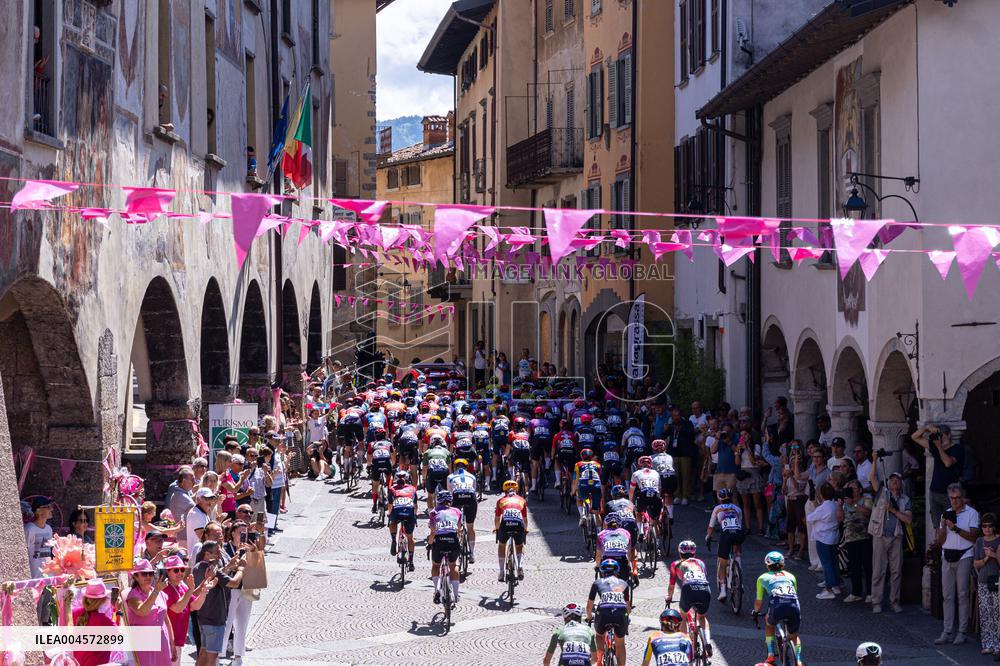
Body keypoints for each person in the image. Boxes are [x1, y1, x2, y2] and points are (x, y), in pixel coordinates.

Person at [934, 482, 979, 645]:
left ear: (962, 497)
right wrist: (942, 530)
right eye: (951, 498)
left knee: (962, 594)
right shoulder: (945, 514)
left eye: (957, 498)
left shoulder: (972, 513)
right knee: (947, 596)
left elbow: (974, 537)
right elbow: (940, 541)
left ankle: (962, 631)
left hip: (964, 555)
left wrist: (956, 529)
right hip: (947, 555)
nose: (954, 501)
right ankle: (947, 631)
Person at [193, 540, 243, 666]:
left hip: (203, 618)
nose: (220, 554)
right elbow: (234, 583)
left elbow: (218, 579)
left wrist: (229, 567)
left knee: (203, 654)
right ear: (207, 554)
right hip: (215, 620)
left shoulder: (197, 566)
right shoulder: (212, 570)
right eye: (216, 552)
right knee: (212, 658)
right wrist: (241, 569)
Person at [868, 466, 911, 614]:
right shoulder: (882, 493)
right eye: (891, 480)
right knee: (878, 570)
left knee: (896, 571)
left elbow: (908, 519)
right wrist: (874, 460)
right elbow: (872, 478)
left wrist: (893, 510)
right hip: (880, 535)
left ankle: (894, 601)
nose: (894, 482)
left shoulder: (905, 500)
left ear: (901, 484)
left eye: (897, 480)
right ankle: (877, 601)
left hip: (896, 536)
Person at [752, 551, 802, 666]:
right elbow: (794, 594)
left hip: (777, 605)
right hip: (793, 605)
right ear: (783, 565)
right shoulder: (791, 576)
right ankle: (798, 661)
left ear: (767, 565)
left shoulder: (762, 578)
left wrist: (755, 612)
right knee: (794, 634)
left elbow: (759, 602)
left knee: (769, 625)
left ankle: (770, 655)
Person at [223, 522, 260, 666]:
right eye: (240, 532)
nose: (243, 535)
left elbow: (257, 570)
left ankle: (238, 656)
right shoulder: (226, 548)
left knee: (242, 624)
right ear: (232, 533)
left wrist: (254, 552)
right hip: (231, 589)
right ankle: (220, 655)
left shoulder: (250, 549)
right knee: (227, 623)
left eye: (246, 532)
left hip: (247, 588)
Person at [665, 541, 712, 656]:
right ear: (694, 553)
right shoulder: (701, 563)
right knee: (702, 617)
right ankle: (708, 641)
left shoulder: (676, 564)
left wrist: (669, 597)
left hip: (688, 589)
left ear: (680, 553)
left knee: (683, 616)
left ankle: (686, 647)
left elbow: (671, 585)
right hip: (704, 589)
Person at [163, 554, 210, 666]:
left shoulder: (182, 586)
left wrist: (204, 592)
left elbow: (195, 606)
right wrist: (190, 590)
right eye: (176, 570)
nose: (180, 572)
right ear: (168, 572)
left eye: (182, 569)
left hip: (178, 637)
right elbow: (178, 608)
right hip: (168, 639)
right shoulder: (166, 588)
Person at [125, 559, 175, 666]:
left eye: (150, 573)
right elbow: (142, 611)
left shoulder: (158, 592)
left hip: (162, 640)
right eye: (144, 574)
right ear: (136, 577)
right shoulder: (133, 595)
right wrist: (156, 591)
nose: (148, 576)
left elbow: (166, 619)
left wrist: (172, 643)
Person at [912, 424, 964, 525]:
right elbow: (914, 437)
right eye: (939, 436)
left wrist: (939, 446)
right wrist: (926, 428)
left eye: (942, 436)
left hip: (950, 495)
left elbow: (948, 463)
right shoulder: (935, 447)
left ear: (949, 435)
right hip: (934, 492)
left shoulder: (958, 449)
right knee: (937, 525)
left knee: (951, 524)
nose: (940, 438)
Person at [586, 559, 631, 666]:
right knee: (620, 644)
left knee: (600, 636)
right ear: (617, 571)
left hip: (603, 611)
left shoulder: (597, 583)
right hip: (621, 611)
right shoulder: (624, 583)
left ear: (602, 571)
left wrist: (589, 617)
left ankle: (599, 661)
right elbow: (628, 608)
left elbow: (589, 605)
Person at [705, 488, 744, 601]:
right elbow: (739, 524)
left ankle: (722, 590)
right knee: (737, 552)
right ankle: (739, 579)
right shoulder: (737, 509)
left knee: (722, 562)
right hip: (738, 533)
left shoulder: (717, 509)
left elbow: (711, 527)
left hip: (726, 534)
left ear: (720, 498)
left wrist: (708, 537)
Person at [839, 479, 873, 603]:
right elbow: (840, 518)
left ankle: (870, 592)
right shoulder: (845, 502)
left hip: (865, 537)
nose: (851, 491)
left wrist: (854, 504)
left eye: (853, 488)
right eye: (849, 488)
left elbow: (868, 513)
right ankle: (856, 592)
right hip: (850, 538)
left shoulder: (866, 500)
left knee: (868, 566)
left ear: (859, 490)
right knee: (854, 566)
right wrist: (840, 505)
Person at [806, 483, 843, 599]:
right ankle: (836, 584)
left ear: (821, 495)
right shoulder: (836, 504)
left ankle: (828, 589)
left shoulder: (822, 508)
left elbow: (810, 518)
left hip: (823, 538)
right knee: (834, 562)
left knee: (826, 563)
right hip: (834, 537)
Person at [428, 491, 464, 604]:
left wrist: (429, 543)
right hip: (453, 540)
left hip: (439, 541)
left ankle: (437, 589)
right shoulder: (457, 511)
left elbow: (433, 531)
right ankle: (456, 594)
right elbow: (459, 529)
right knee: (453, 566)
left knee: (435, 565)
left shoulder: (434, 512)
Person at [973, 513, 1000, 657]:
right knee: (985, 614)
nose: (987, 529)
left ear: (994, 526)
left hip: (997, 581)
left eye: (990, 526)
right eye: (984, 526)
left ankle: (998, 645)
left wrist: (994, 555)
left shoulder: (999, 540)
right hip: (983, 581)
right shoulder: (979, 542)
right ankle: (988, 644)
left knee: (997, 614)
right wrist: (986, 558)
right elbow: (976, 563)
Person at [73, 578, 117, 666]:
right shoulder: (104, 620)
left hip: (77, 662)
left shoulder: (74, 612)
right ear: (103, 600)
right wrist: (116, 610)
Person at [494, 480, 529, 582]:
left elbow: (497, 519)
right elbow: (525, 519)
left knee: (502, 545)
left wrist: (497, 529)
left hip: (505, 525)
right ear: (516, 490)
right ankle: (520, 565)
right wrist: (526, 529)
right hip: (518, 524)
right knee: (519, 545)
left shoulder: (500, 501)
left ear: (504, 491)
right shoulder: (522, 500)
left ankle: (501, 572)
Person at [447, 459, 478, 562]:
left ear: (455, 467)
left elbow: (449, 495)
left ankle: (456, 543)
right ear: (466, 467)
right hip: (470, 496)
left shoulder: (450, 477)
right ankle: (472, 553)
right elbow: (474, 490)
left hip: (457, 496)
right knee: (470, 526)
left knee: (456, 524)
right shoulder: (472, 476)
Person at [664, 409, 697, 504]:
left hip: (685, 454)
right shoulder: (671, 426)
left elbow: (691, 433)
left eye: (677, 415)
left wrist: (681, 430)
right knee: (676, 476)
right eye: (674, 416)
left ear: (681, 415)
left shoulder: (687, 423)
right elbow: (664, 435)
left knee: (686, 475)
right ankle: (677, 494)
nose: (676, 418)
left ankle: (685, 496)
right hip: (674, 453)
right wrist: (666, 429)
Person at [387, 470, 418, 571]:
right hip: (409, 512)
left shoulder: (392, 489)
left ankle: (393, 540)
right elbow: (415, 505)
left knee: (393, 521)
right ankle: (411, 560)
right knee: (410, 537)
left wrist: (389, 513)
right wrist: (415, 514)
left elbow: (390, 504)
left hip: (397, 511)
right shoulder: (412, 489)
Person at [24, 496, 54, 578]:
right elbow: (23, 554)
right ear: (38, 510)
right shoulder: (29, 529)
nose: (51, 509)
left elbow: (50, 552)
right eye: (48, 507)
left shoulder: (49, 529)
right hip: (35, 577)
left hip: (49, 576)